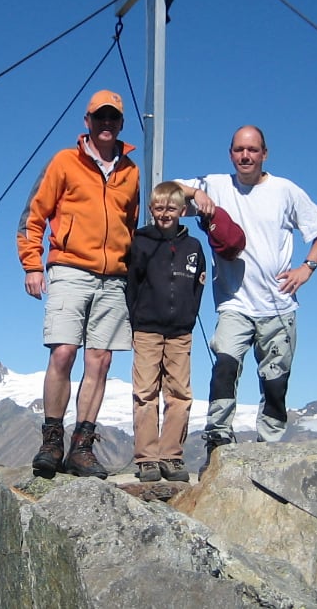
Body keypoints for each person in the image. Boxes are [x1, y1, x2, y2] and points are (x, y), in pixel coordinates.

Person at [177, 125, 317, 469]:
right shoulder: (216, 185)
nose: (245, 156)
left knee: (275, 382)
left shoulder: (285, 191)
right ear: (230, 154)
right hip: (234, 303)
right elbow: (164, 192)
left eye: (252, 150)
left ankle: (269, 450)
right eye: (239, 150)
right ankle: (218, 443)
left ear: (265, 154)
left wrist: (307, 268)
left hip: (278, 306)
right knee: (225, 367)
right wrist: (196, 192)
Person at [16, 89, 140, 478]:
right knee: (63, 352)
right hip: (69, 268)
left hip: (114, 278)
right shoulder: (64, 162)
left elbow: (132, 224)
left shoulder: (131, 172)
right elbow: (33, 215)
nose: (106, 123)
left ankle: (81, 448)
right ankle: (51, 441)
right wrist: (32, 265)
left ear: (121, 124)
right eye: (99, 116)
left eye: (113, 117)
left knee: (100, 360)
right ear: (87, 121)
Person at [124, 181, 207, 483]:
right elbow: (132, 284)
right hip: (147, 329)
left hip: (180, 331)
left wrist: (188, 317)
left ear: (183, 211)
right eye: (158, 208)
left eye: (171, 208)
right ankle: (147, 458)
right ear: (151, 209)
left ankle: (171, 455)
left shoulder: (193, 247)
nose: (164, 213)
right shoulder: (141, 242)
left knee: (180, 393)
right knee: (145, 392)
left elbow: (198, 286)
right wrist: (137, 318)